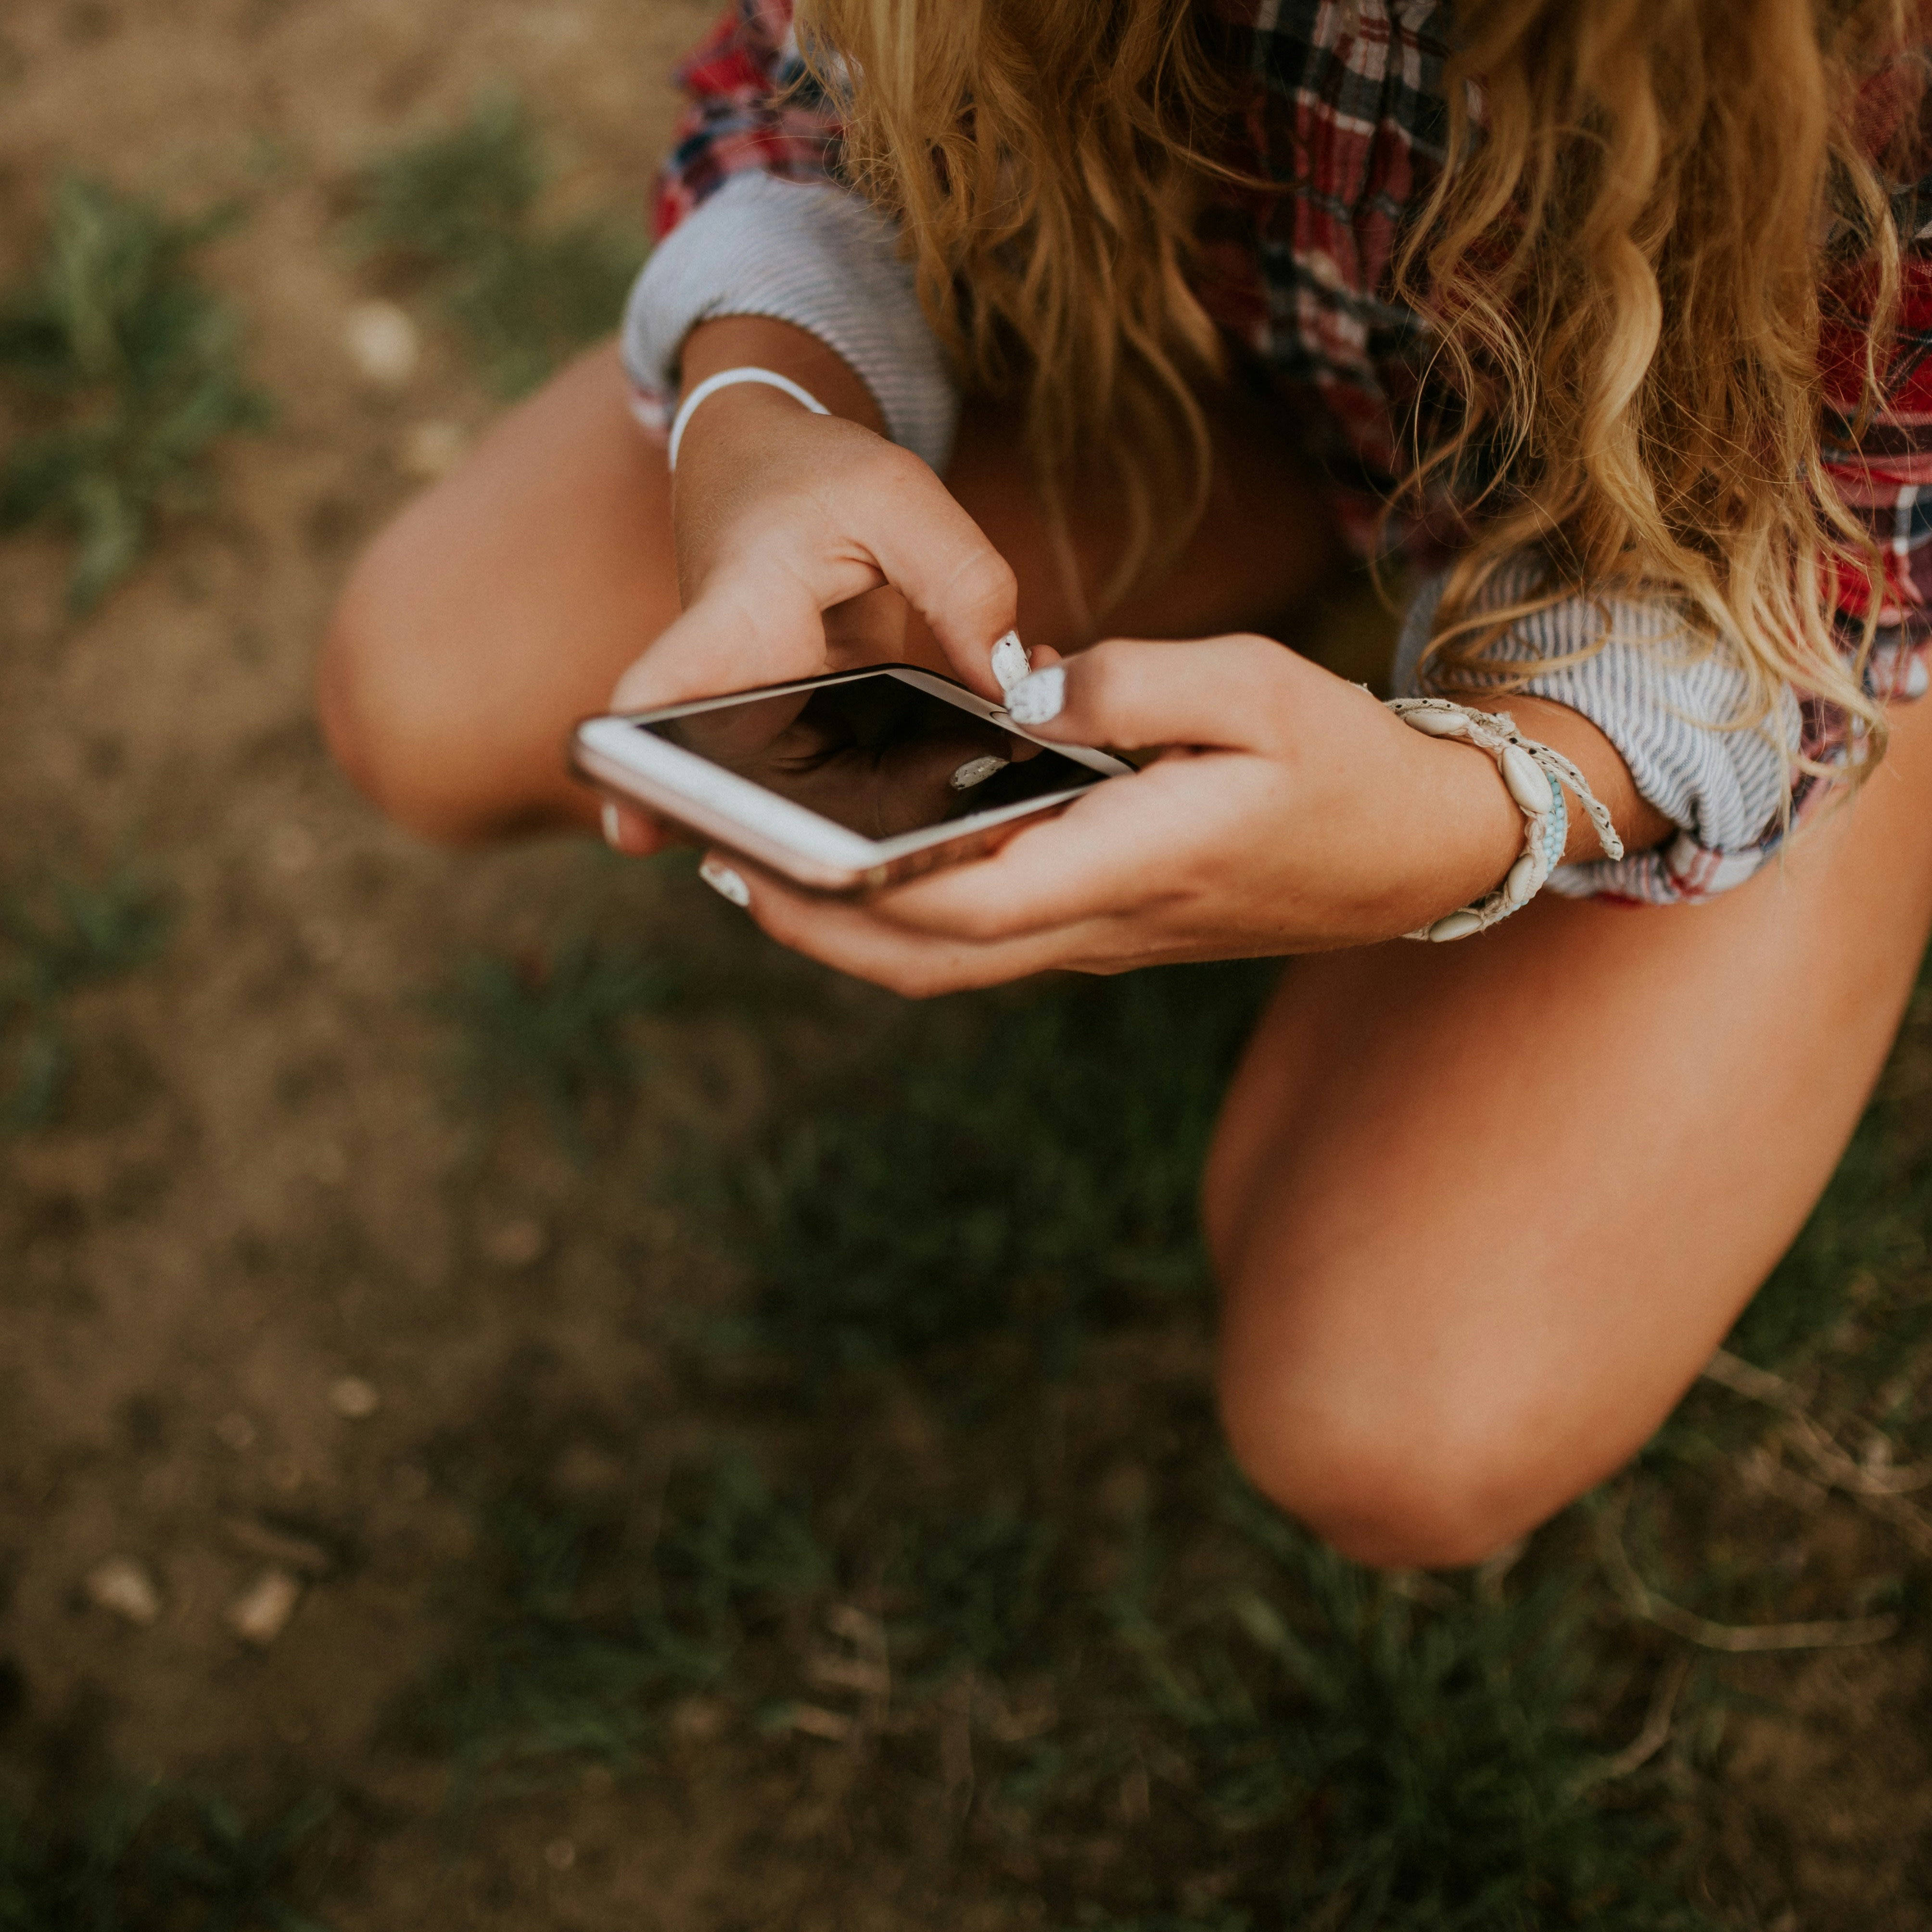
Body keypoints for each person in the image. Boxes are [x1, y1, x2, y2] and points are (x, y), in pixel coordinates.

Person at [318, 0, 1932, 1570]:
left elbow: (1851, 546)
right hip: (1198, 363)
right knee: (441, 682)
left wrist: (1477, 813)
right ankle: (1306, 513)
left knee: (1403, 1408)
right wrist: (770, 428)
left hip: (1763, 539)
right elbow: (811, 84)